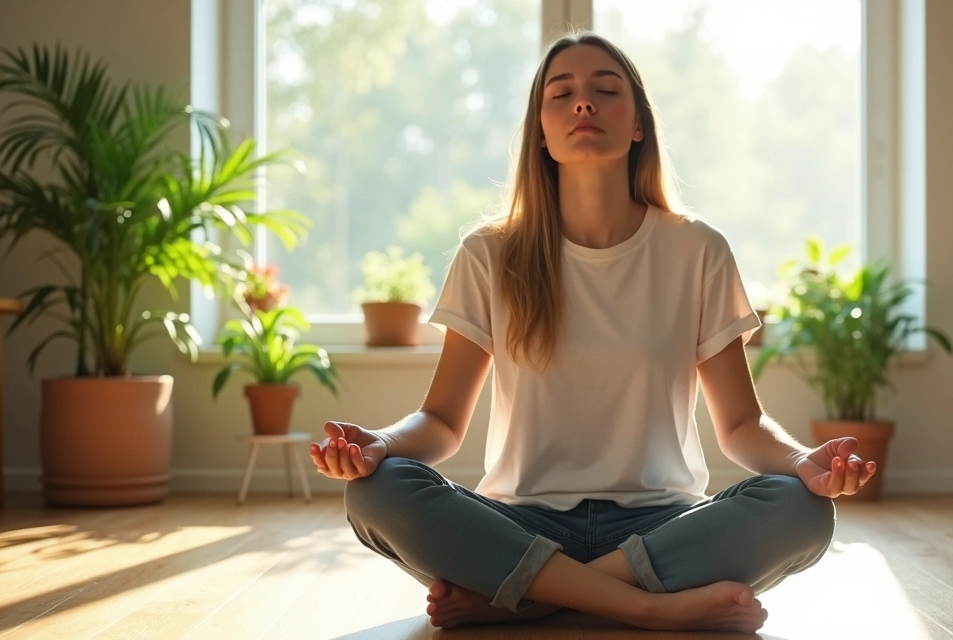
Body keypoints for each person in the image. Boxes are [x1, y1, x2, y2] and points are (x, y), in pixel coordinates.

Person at [308, 31, 877, 634]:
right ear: (542, 132)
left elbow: (739, 426)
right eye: (563, 94)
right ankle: (646, 606)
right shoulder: (489, 253)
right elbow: (443, 423)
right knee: (376, 492)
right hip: (520, 524)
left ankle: (526, 595)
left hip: (660, 527)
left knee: (801, 508)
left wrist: (803, 462)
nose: (584, 104)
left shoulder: (697, 249)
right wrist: (380, 447)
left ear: (638, 125)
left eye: (606, 90)